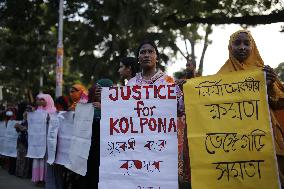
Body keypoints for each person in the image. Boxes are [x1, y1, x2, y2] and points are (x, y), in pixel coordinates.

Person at [217, 29, 284, 186]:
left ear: (253, 47)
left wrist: (270, 87)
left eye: (247, 43)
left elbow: (278, 104)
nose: (242, 47)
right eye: (237, 43)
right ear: (229, 47)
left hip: (268, 137)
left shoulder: (264, 72)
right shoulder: (220, 77)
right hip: (236, 141)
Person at [127, 41, 190, 188]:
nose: (146, 55)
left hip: (163, 144)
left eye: (150, 52)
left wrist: (185, 94)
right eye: (143, 52)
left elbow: (180, 110)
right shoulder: (130, 84)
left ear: (157, 57)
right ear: (138, 58)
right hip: (137, 144)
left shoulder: (169, 82)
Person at [32, 93, 56, 186]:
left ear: (48, 100)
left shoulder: (53, 111)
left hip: (48, 140)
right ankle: (38, 179)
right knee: (38, 158)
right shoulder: (36, 112)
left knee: (46, 159)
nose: (40, 101)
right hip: (38, 141)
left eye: (42, 99)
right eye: (39, 99)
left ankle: (45, 179)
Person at [14, 102, 32, 178]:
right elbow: (20, 130)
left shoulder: (30, 121)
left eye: (27, 111)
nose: (25, 112)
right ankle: (18, 173)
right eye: (25, 110)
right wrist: (17, 127)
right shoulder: (23, 121)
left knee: (24, 159)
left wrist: (19, 126)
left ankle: (23, 174)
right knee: (19, 158)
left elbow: (26, 129)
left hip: (26, 142)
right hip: (20, 141)